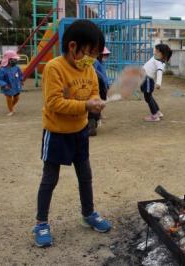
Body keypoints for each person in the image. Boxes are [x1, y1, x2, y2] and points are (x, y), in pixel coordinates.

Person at [33, 19, 112, 248]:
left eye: (96, 54)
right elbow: (54, 103)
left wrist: (96, 104)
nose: (92, 59)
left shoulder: (89, 69)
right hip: (56, 133)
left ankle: (88, 214)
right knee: (50, 179)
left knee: (85, 176)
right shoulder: (54, 67)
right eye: (90, 53)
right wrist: (86, 105)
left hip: (80, 132)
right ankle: (41, 223)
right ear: (72, 46)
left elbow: (94, 94)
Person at [141, 44, 172, 122]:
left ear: (161, 53)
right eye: (155, 50)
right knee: (149, 96)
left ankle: (155, 116)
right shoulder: (155, 58)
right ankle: (157, 112)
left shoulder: (160, 63)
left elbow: (159, 73)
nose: (154, 51)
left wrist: (158, 83)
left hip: (148, 80)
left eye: (156, 50)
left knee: (147, 97)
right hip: (145, 79)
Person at [88, 47, 111, 136]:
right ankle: (93, 122)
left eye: (107, 55)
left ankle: (94, 121)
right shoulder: (95, 62)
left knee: (96, 105)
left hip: (100, 86)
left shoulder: (99, 63)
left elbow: (102, 76)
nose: (105, 57)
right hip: (97, 86)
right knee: (96, 104)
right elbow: (99, 75)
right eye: (104, 55)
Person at [0, 50, 23, 116]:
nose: (16, 61)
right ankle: (11, 110)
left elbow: (20, 74)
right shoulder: (2, 69)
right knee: (9, 98)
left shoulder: (17, 68)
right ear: (8, 59)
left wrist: (21, 80)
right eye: (14, 59)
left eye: (16, 59)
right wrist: (4, 85)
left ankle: (11, 106)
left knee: (17, 98)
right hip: (8, 86)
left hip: (16, 85)